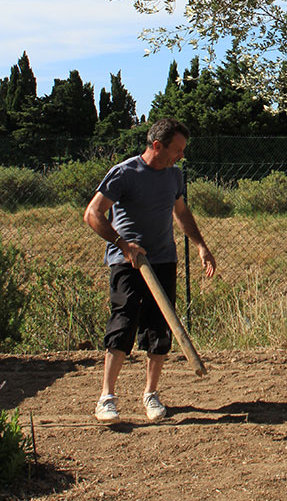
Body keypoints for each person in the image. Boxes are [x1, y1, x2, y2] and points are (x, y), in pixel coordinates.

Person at [83, 117, 216, 424]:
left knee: (159, 327)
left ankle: (151, 394)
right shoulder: (124, 174)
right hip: (128, 261)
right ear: (157, 146)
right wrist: (123, 244)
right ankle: (107, 397)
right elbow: (92, 213)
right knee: (124, 320)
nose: (181, 156)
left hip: (163, 259)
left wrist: (200, 245)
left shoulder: (174, 176)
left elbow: (180, 212)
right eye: (177, 150)